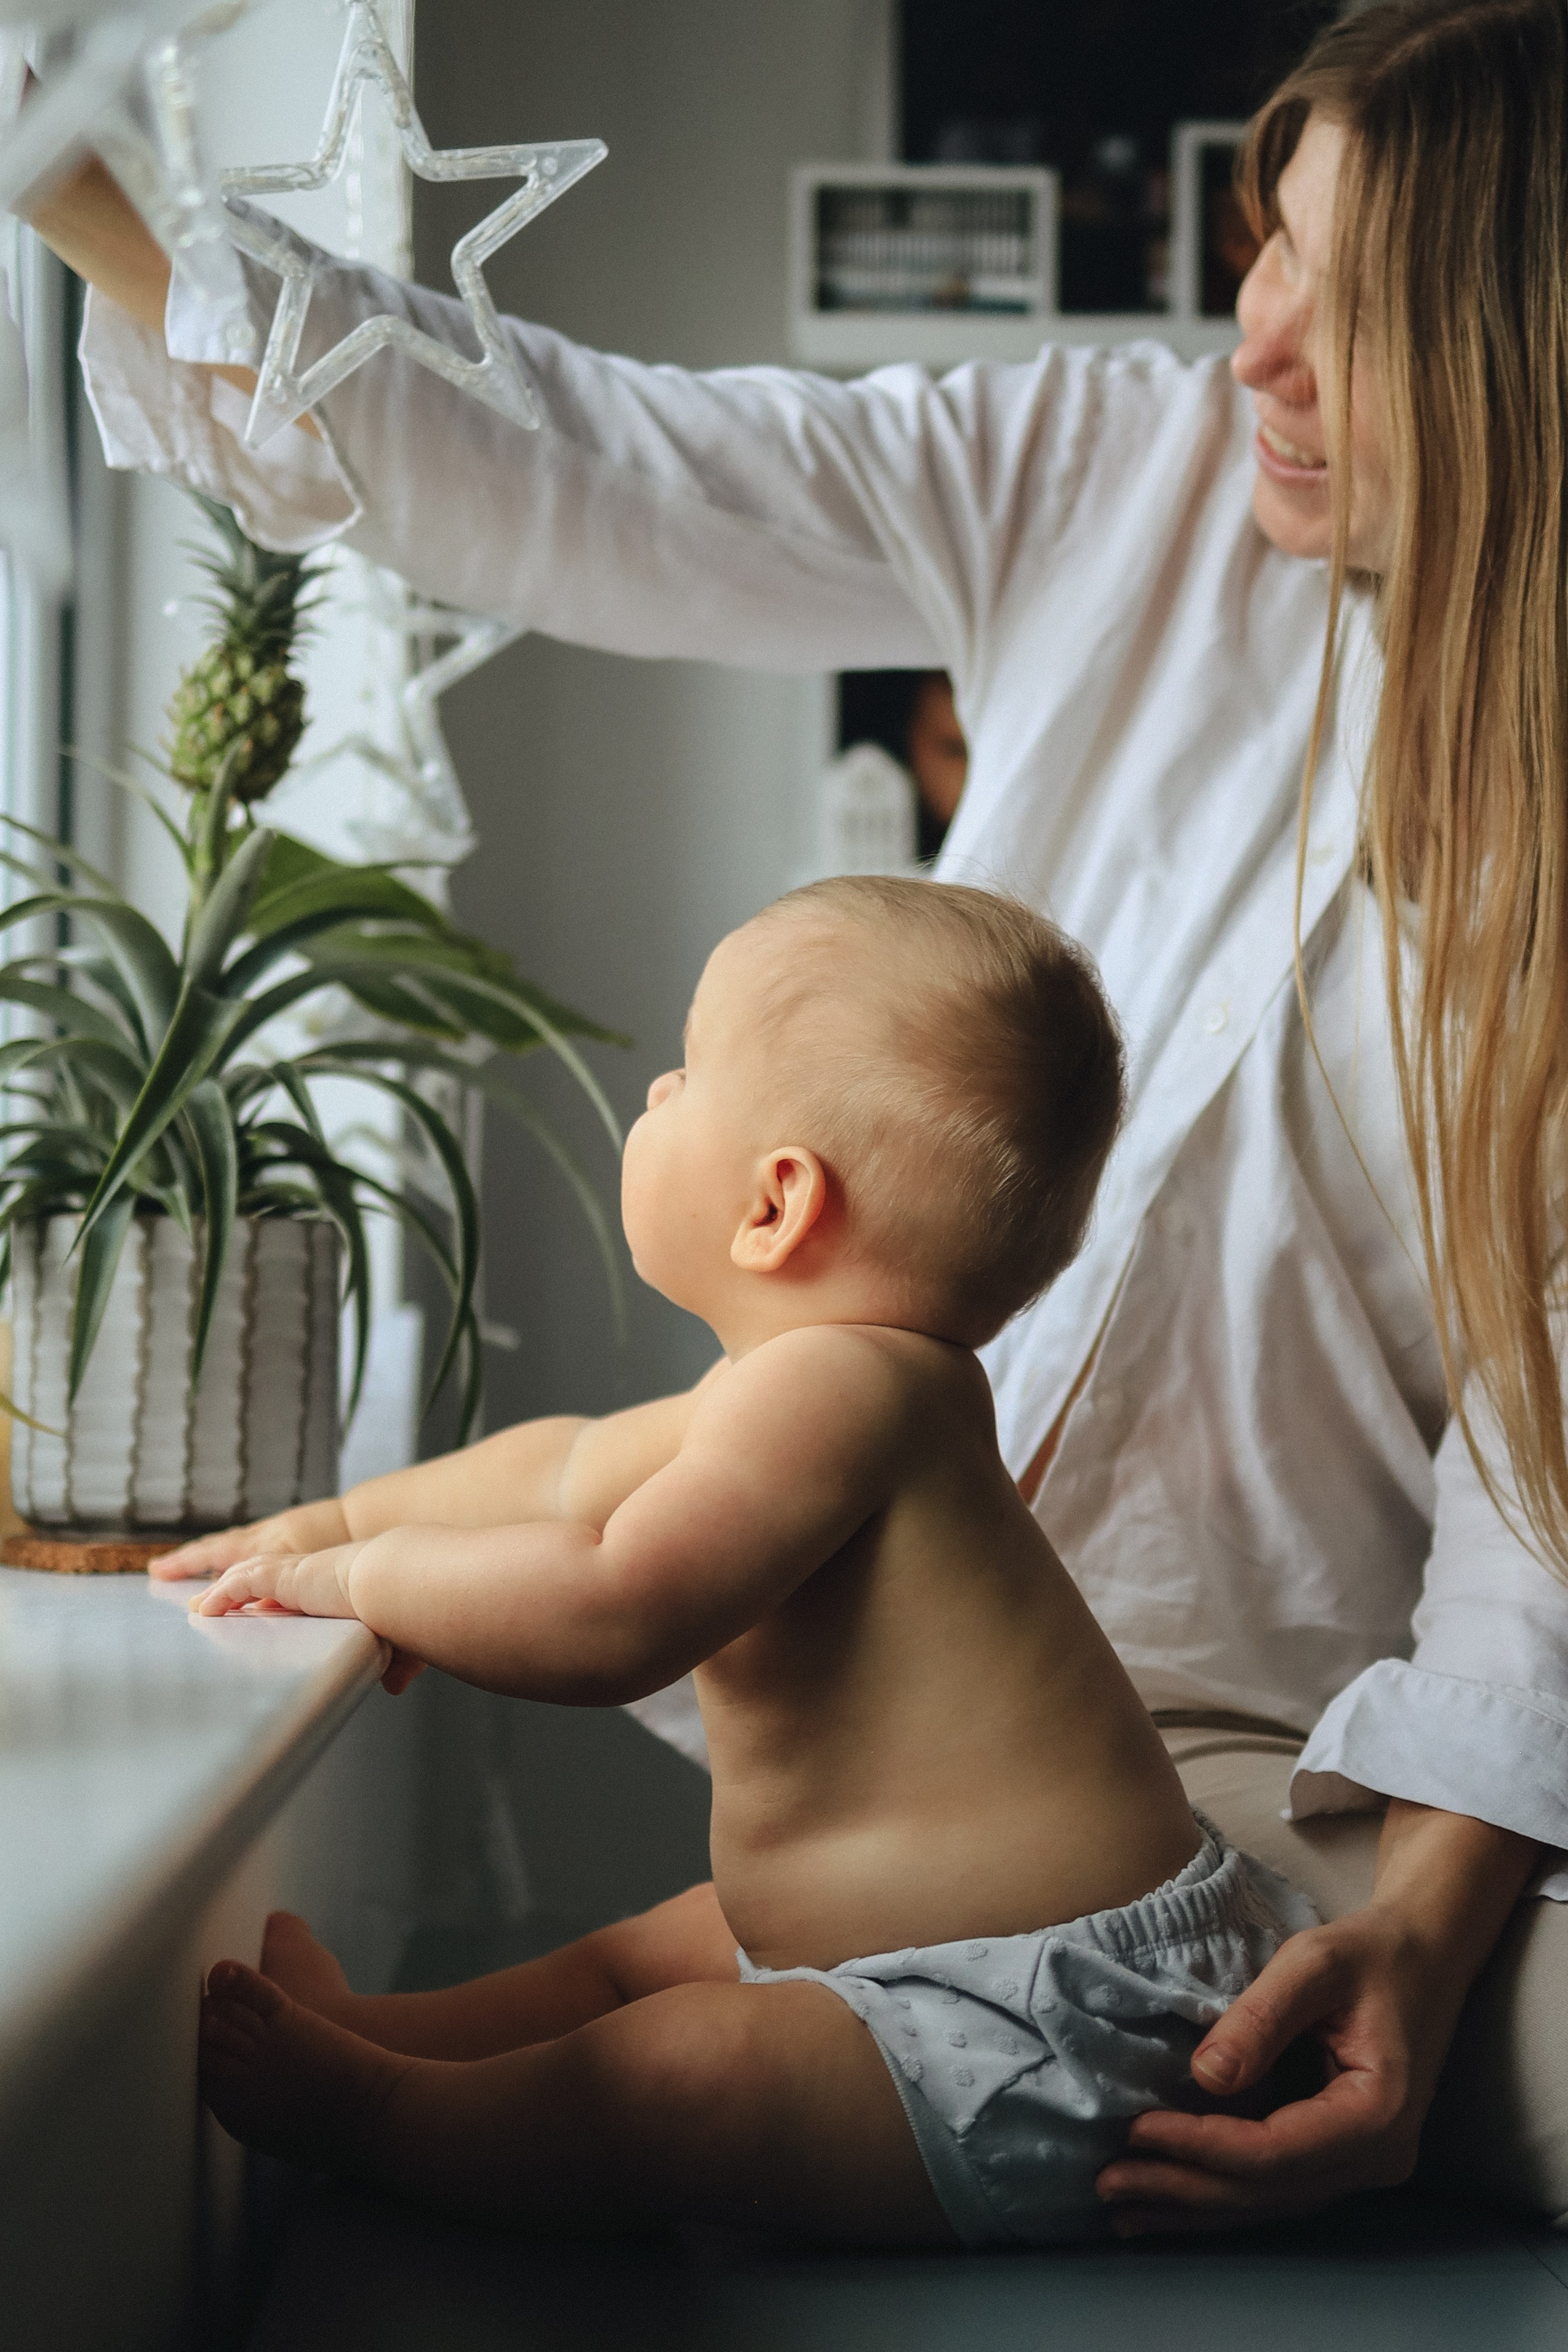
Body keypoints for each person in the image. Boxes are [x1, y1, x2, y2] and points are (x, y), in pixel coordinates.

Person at [26, 0, 1568, 2230]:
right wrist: (62, 175)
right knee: (687, 1989)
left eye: (1363, 305)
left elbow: (1548, 1467)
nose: (1260, 350)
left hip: (1305, 1782)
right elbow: (587, 466)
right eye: (1272, 249)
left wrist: (1424, 1935)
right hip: (918, 1760)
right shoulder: (1106, 466)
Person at [183, 876, 1317, 2248]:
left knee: (685, 2068)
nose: (653, 1093)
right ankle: (382, 2036)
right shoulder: (815, 1386)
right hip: (904, 1966)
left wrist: (362, 1583)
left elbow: (612, 1609)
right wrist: (328, 1523)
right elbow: (558, 1468)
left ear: (776, 1204)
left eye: (683, 1071)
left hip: (1054, 2024)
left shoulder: (843, 1395)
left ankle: (375, 2116)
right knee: (636, 1956)